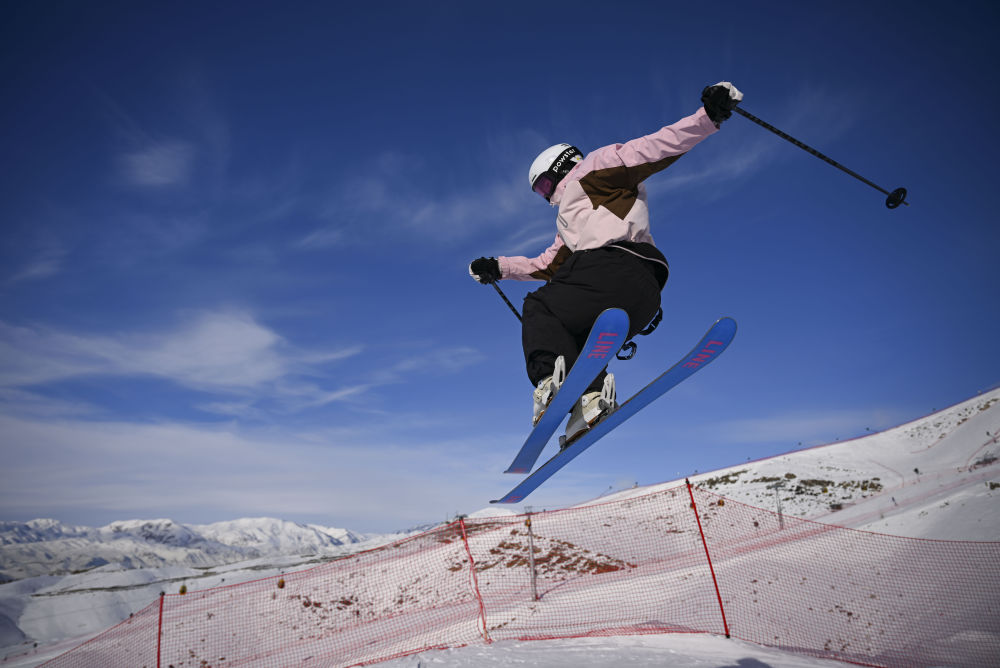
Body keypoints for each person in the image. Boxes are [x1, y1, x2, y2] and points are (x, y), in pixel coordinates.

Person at [470, 82, 743, 442]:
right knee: (573, 339)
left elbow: (652, 148)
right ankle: (590, 404)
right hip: (644, 295)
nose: (546, 196)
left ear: (561, 167)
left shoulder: (592, 169)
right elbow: (547, 265)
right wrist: (499, 268)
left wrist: (706, 117)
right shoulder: (570, 227)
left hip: (610, 268)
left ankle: (548, 381)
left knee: (539, 307)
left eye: (544, 186)